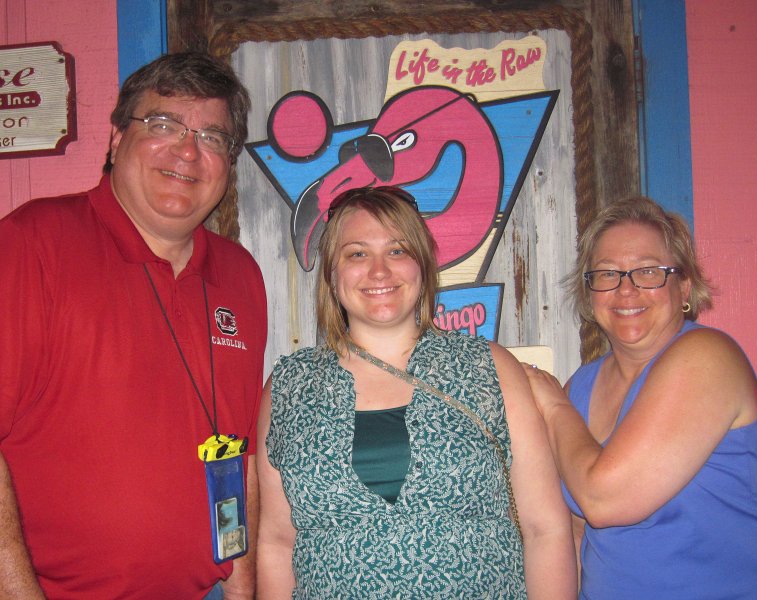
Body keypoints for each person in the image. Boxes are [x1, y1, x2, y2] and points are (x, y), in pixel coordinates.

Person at [0, 52, 267, 599]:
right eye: (164, 125)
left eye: (213, 137)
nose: (189, 152)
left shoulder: (240, 274)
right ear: (117, 139)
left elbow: (237, 458)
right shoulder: (33, 243)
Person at [257, 186, 576, 599]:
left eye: (397, 250)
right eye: (357, 253)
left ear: (422, 265)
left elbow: (545, 529)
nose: (378, 271)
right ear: (332, 275)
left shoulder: (489, 368)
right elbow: (277, 543)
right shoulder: (288, 387)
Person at [524, 196, 757, 599]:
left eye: (648, 271)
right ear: (590, 292)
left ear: (684, 286)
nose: (626, 289)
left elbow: (604, 499)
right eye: (607, 274)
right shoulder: (579, 387)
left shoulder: (708, 357)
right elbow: (578, 531)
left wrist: (550, 405)